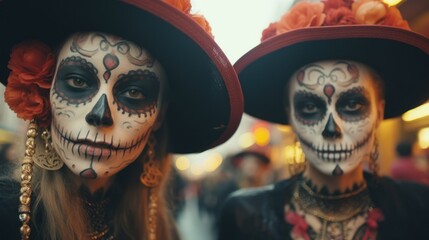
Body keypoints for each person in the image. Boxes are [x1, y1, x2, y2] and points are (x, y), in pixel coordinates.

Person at [0, 0, 244, 239]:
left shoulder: (158, 231)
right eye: (78, 81)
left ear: (159, 115)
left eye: (134, 93)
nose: (100, 115)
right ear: (45, 90)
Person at [218, 0, 429, 239]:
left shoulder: (419, 208)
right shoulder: (246, 216)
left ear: (379, 112)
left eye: (352, 104)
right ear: (290, 115)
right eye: (309, 106)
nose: (331, 129)